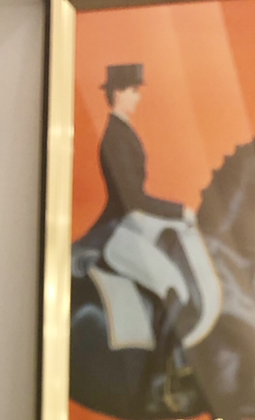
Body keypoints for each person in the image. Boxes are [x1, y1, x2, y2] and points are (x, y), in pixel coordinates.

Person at [82, 63, 195, 381]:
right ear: (118, 93)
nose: (138, 97)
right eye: (133, 91)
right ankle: (161, 374)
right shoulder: (114, 137)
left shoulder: (125, 130)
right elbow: (132, 198)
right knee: (172, 286)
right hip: (118, 228)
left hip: (133, 221)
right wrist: (179, 212)